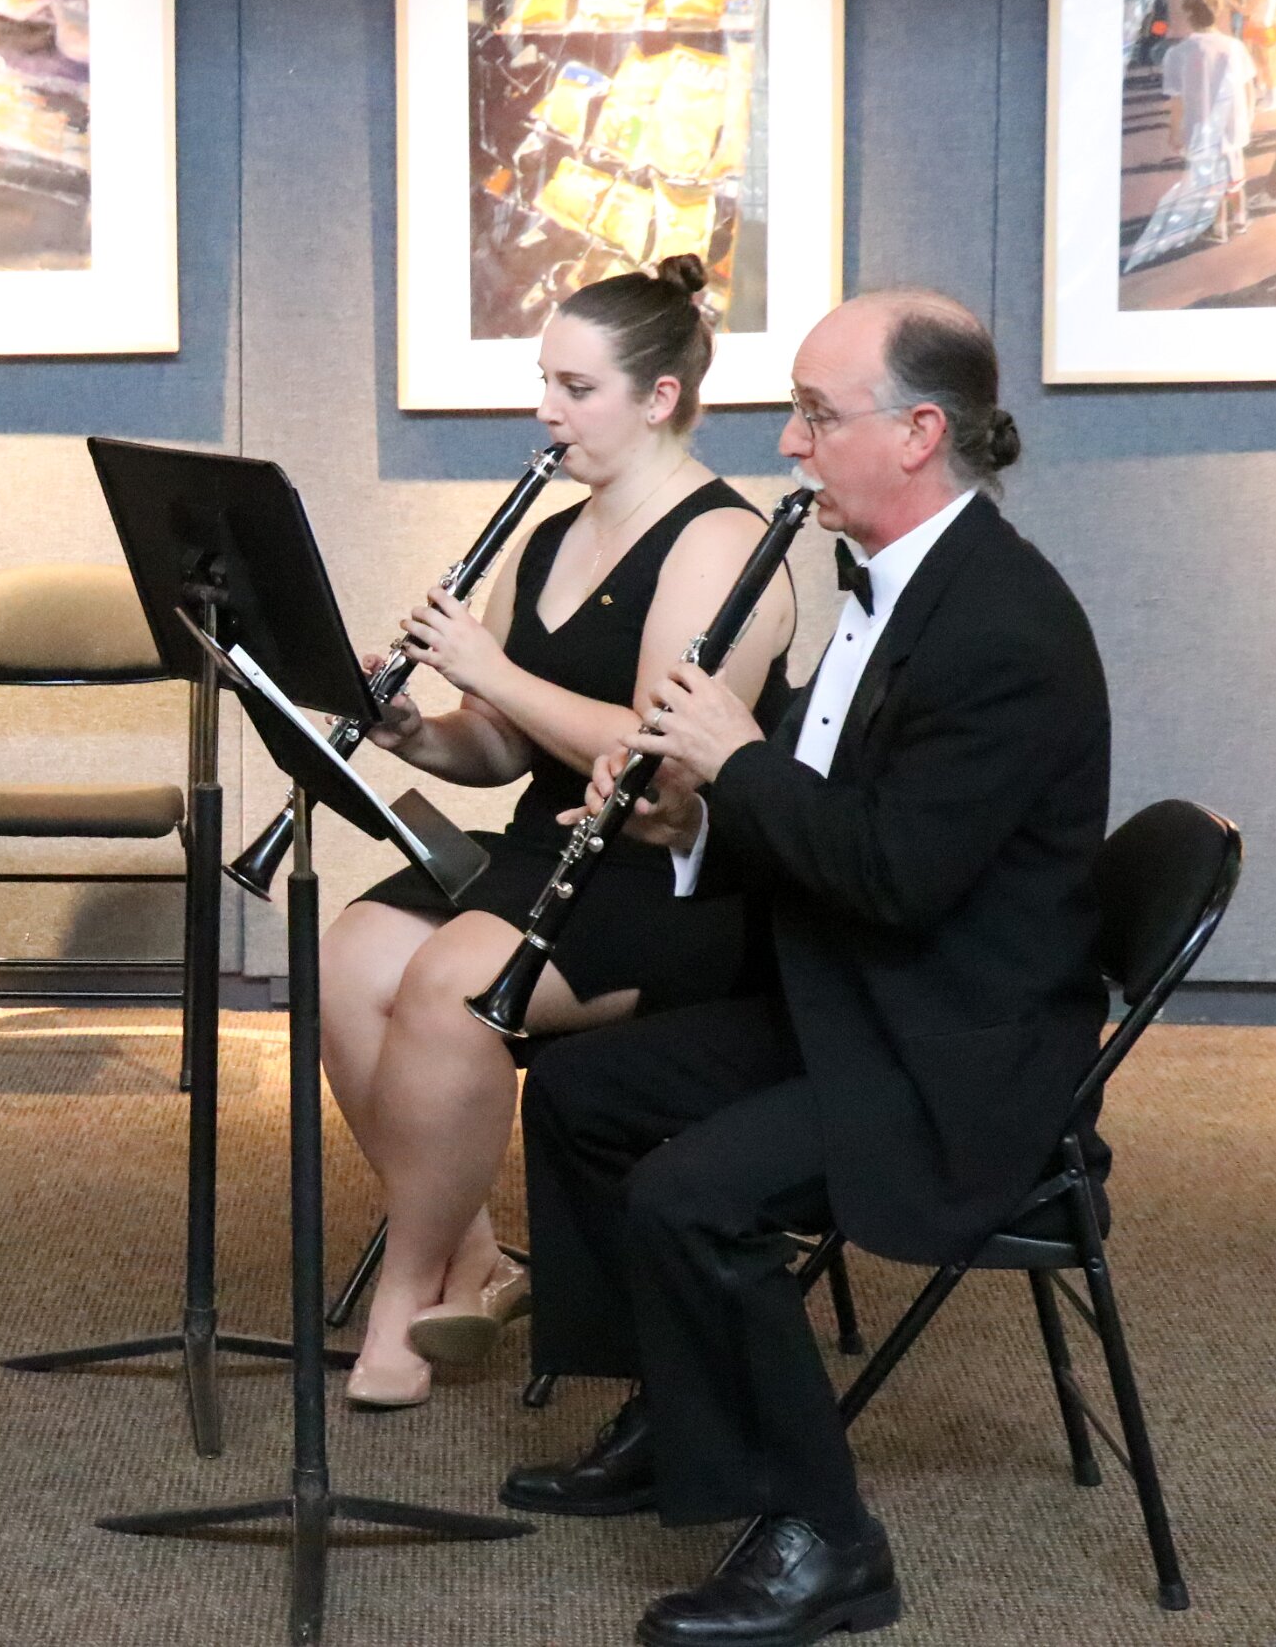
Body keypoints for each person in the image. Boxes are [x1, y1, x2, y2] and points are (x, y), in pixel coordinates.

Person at [507, 291, 1110, 1647]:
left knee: (692, 1194)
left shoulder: (1003, 628)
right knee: (579, 1095)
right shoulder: (890, 585)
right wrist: (685, 819)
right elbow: (822, 822)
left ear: (918, 433)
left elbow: (895, 874)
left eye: (816, 416)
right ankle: (676, 1413)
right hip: (856, 999)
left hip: (957, 1054)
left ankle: (827, 1540)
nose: (788, 442)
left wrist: (734, 758)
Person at [319, 253, 795, 1410]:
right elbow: (499, 747)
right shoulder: (543, 539)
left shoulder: (721, 544)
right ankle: (476, 1255)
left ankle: (408, 1294)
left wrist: (486, 666)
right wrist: (414, 730)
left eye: (576, 388)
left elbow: (658, 753)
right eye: (545, 381)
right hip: (550, 843)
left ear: (660, 397)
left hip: (671, 873)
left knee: (450, 990)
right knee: (350, 958)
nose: (547, 410)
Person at [1160, 0, 1258, 246]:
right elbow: (1248, 85)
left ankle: (1218, 226)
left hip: (1200, 125)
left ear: (1188, 15)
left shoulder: (1177, 53)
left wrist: (1174, 130)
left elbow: (1177, 100)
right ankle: (1240, 217)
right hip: (1232, 122)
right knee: (1234, 170)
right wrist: (1248, 117)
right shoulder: (1234, 47)